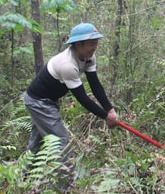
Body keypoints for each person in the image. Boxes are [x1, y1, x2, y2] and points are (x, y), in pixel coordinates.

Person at [23, 23, 119, 187]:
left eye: (96, 42)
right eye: (91, 43)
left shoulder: (89, 57)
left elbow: (95, 85)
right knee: (61, 140)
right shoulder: (67, 64)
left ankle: (24, 177)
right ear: (77, 44)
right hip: (38, 102)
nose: (94, 46)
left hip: (50, 101)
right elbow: (82, 98)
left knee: (37, 141)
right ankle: (65, 186)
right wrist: (105, 117)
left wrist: (110, 109)